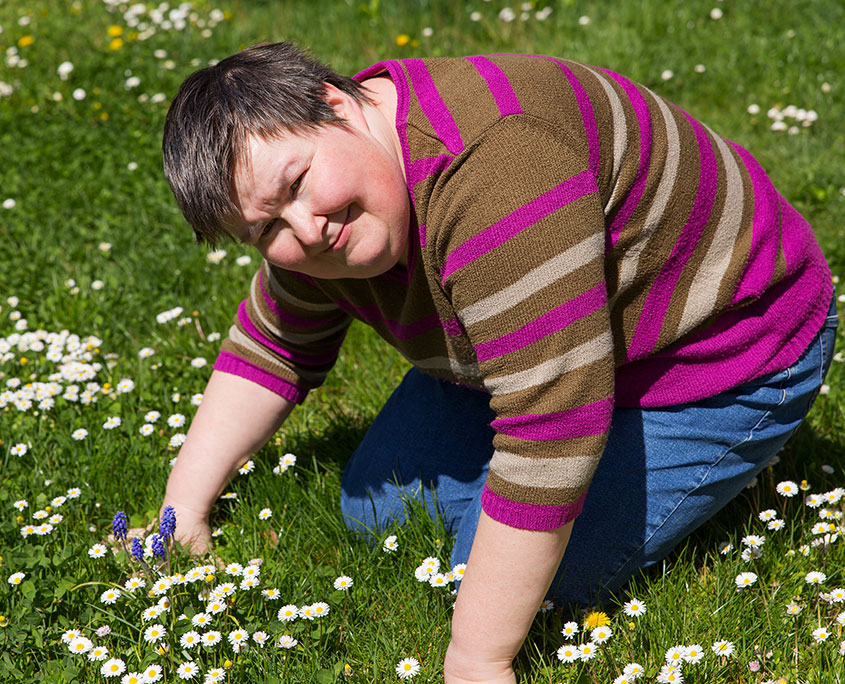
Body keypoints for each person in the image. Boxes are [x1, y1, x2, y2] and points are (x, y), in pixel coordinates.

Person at [160, 42, 837, 683]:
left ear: (335, 103)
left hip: (716, 357)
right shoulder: (332, 212)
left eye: (300, 183)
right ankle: (525, 415)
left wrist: (477, 659)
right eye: (266, 229)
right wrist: (182, 508)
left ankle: (719, 458)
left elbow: (552, 432)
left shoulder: (496, 170)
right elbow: (275, 344)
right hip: (544, 347)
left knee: (511, 577)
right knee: (378, 509)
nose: (307, 229)